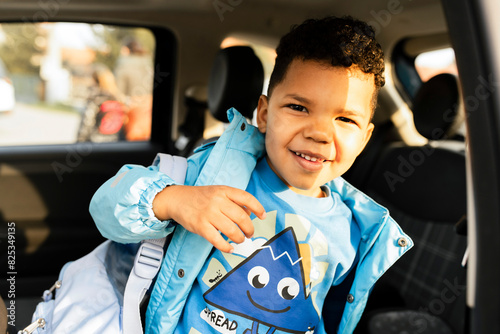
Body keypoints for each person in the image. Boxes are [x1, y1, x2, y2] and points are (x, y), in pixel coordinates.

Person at [90, 16, 413, 333]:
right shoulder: (212, 176)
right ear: (263, 114)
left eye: (345, 120)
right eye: (299, 108)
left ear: (364, 138)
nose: (319, 133)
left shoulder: (354, 230)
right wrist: (173, 201)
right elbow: (105, 207)